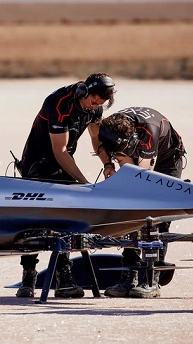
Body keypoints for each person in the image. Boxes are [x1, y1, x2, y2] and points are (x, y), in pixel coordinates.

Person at [15, 73, 117, 298]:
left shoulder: (94, 107)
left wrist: (108, 164)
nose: (94, 107)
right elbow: (59, 151)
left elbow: (96, 139)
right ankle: (28, 276)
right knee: (33, 219)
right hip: (38, 162)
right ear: (84, 92)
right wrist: (85, 184)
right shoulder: (59, 103)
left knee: (66, 218)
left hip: (63, 160)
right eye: (93, 102)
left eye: (99, 104)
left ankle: (63, 276)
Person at [96, 107, 186, 299]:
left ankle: (152, 280)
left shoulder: (148, 131)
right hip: (136, 148)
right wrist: (109, 165)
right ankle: (130, 276)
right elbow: (118, 160)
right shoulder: (107, 130)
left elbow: (143, 179)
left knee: (158, 215)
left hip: (167, 160)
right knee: (129, 213)